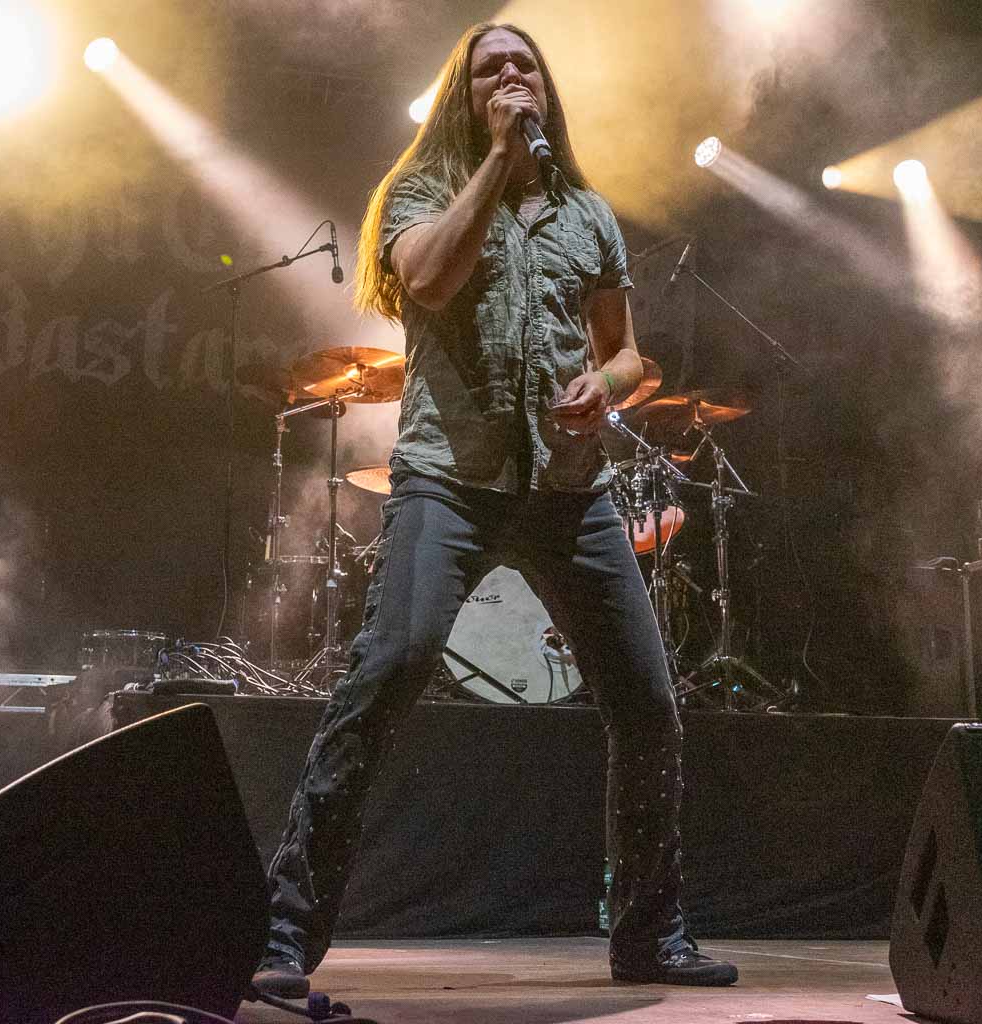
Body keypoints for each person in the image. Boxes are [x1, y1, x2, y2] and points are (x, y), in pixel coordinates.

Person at [252, 21, 738, 1000]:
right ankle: (283, 934)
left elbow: (628, 353)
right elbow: (428, 277)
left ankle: (649, 936)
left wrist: (606, 385)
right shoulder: (422, 191)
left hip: (569, 492)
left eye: (526, 67)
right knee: (389, 668)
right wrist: (498, 165)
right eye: (491, 71)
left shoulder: (588, 215)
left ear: (547, 89)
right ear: (463, 97)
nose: (513, 78)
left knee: (648, 704)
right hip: (450, 481)